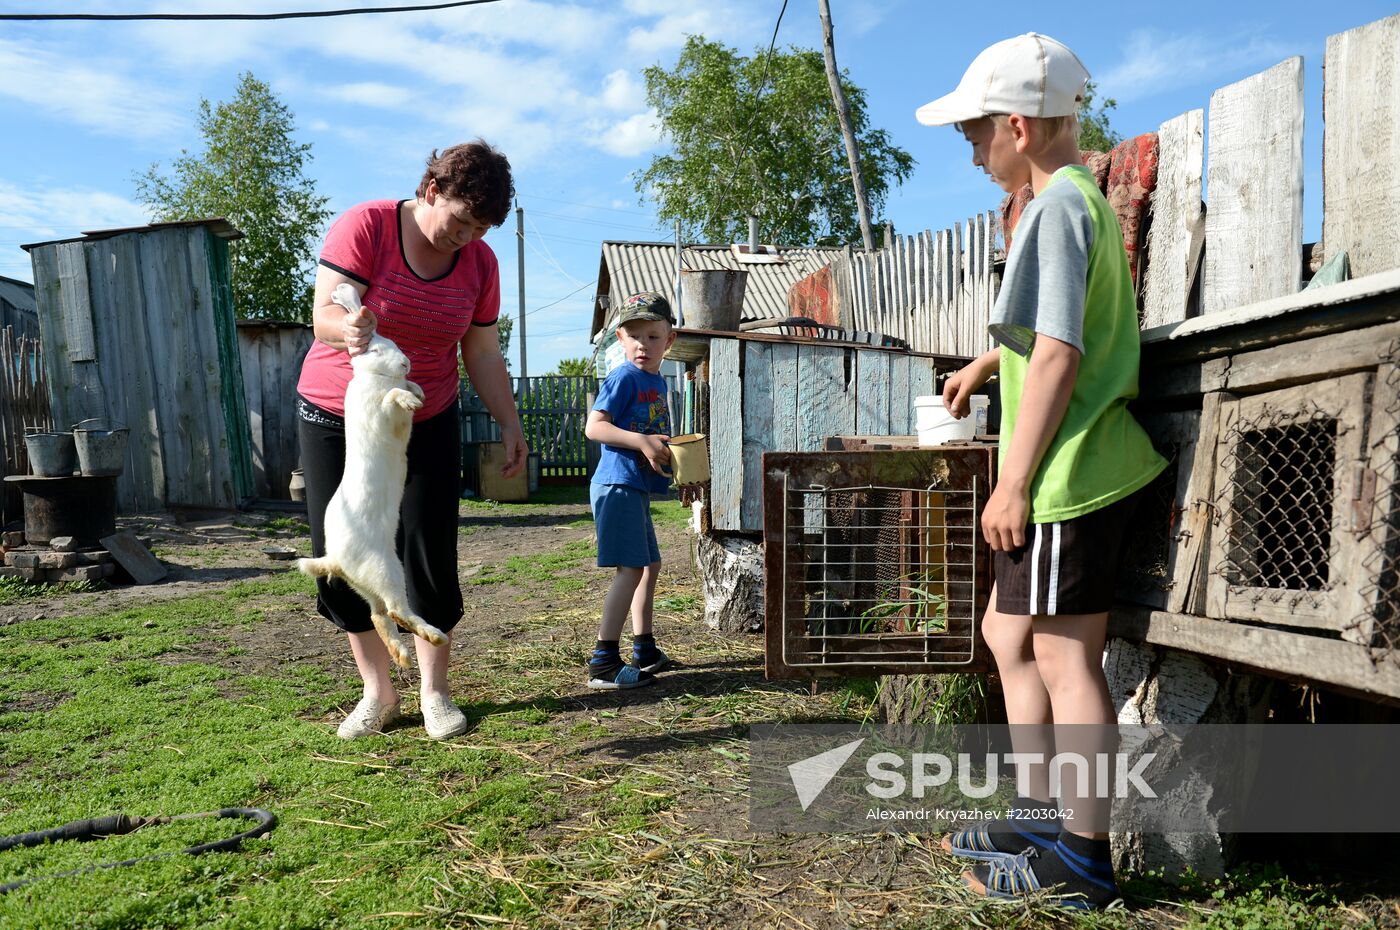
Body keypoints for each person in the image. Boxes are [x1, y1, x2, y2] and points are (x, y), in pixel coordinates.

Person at [917, 33, 1166, 909]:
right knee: (1004, 636)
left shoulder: (1059, 209)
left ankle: (1084, 859)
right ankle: (1034, 810)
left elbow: (1060, 353)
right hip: (1060, 471)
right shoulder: (1064, 202)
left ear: (1017, 127)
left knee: (1068, 662)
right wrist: (986, 367)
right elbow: (1040, 337)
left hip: (1068, 475)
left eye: (975, 135)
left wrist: (1013, 481)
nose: (973, 152)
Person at [296, 140, 528, 740]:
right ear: (431, 191)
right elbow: (323, 312)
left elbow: (480, 349)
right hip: (338, 411)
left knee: (427, 550)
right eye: (461, 220)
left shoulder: (480, 265)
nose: (467, 238)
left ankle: (434, 692)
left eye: (480, 229)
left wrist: (508, 420)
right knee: (343, 554)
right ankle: (378, 691)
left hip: (424, 413)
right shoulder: (366, 226)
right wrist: (346, 326)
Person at [582, 292, 678, 690]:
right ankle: (604, 662)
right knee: (632, 569)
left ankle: (645, 649)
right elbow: (595, 427)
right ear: (620, 339)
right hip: (616, 483)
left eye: (653, 336)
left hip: (633, 487)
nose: (644, 345)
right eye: (634, 336)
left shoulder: (657, 381)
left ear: (669, 340)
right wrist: (641, 442)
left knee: (649, 566)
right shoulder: (623, 377)